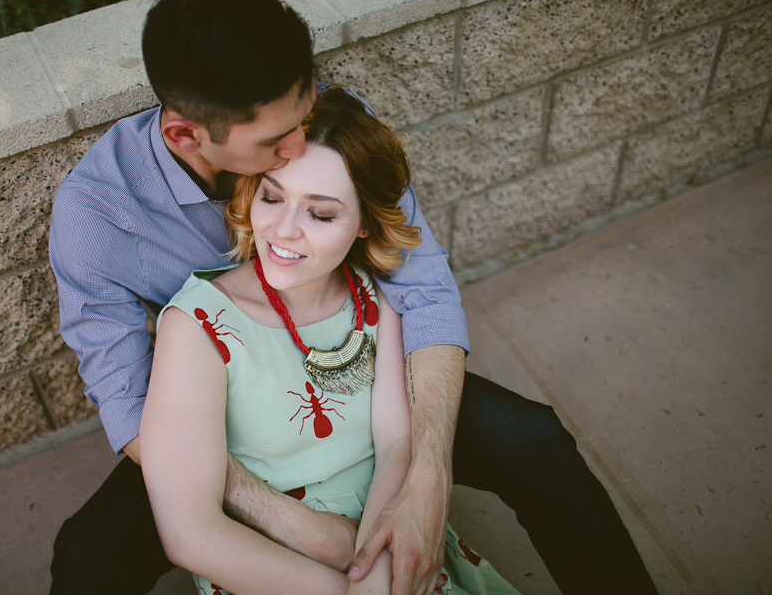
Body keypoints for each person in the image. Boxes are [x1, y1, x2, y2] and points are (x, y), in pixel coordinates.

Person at [48, 0, 658, 595]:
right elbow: (127, 402)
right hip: (218, 416)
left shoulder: (325, 119)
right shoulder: (96, 217)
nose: (298, 143)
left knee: (531, 438)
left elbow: (420, 287)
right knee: (87, 555)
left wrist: (427, 476)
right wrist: (287, 516)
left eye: (304, 111)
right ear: (187, 136)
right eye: (274, 144)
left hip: (359, 372)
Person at [139, 86, 521, 595]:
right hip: (274, 572)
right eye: (272, 197)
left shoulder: (375, 299)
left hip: (388, 543)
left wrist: (375, 572)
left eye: (320, 214)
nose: (284, 230)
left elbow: (397, 442)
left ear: (364, 224)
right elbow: (191, 533)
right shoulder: (196, 325)